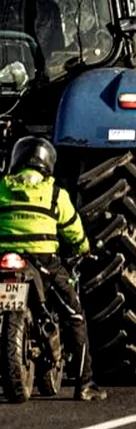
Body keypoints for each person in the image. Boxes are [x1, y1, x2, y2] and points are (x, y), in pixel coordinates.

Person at [0, 137, 105, 400]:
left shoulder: (1, 186)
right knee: (75, 315)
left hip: (5, 258)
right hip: (43, 262)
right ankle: (84, 384)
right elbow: (73, 230)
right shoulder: (55, 192)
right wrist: (84, 248)